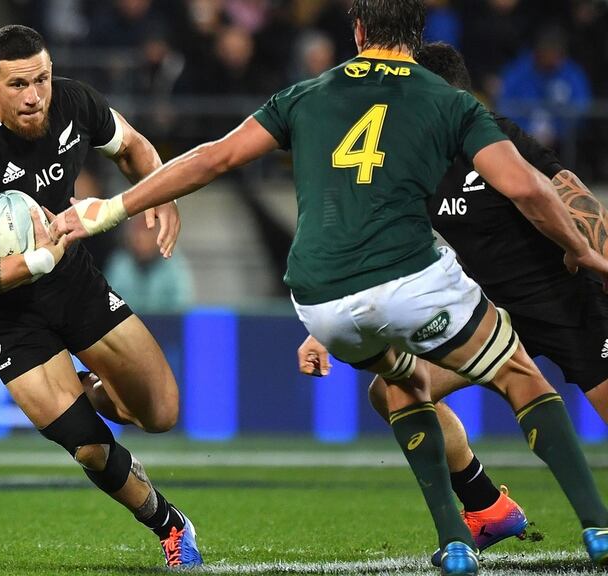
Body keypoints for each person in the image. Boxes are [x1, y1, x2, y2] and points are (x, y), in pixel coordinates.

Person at [50, 1, 608, 573]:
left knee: (396, 385)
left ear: (359, 31)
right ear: (416, 38)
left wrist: (109, 208)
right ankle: (594, 527)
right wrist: (581, 249)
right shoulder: (446, 102)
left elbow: (214, 158)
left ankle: (468, 527)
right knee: (518, 375)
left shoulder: (307, 95)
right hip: (428, 291)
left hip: (330, 301)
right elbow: (533, 191)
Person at [296, 41, 608, 566]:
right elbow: (383, 242)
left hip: (564, 303)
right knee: (392, 391)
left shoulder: (495, 134)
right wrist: (318, 327)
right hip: (487, 313)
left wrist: (598, 255)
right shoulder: (413, 159)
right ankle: (486, 505)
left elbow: (568, 191)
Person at [0, 24, 202, 569]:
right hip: (3, 312)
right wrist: (28, 262)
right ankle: (170, 526)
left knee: (161, 412)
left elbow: (134, 147)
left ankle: (88, 388)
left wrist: (163, 192)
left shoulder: (76, 103)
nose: (34, 96)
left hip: (71, 281)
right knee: (88, 445)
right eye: (18, 85)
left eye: (42, 80)